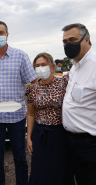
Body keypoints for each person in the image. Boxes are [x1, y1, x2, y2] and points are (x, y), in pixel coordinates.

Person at [0, 21, 38, 185]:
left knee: (20, 157)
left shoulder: (20, 56)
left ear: (7, 34)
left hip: (17, 117)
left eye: (1, 32)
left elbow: (33, 82)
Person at [25, 53, 74, 185]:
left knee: (61, 169)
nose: (40, 68)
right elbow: (31, 114)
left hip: (61, 134)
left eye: (43, 65)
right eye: (37, 66)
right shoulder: (32, 88)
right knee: (41, 169)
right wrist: (29, 138)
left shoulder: (64, 83)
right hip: (41, 135)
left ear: (52, 66)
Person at [62, 23, 96, 185]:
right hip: (73, 141)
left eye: (73, 39)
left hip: (90, 143)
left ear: (87, 39)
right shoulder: (75, 67)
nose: (68, 44)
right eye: (65, 41)